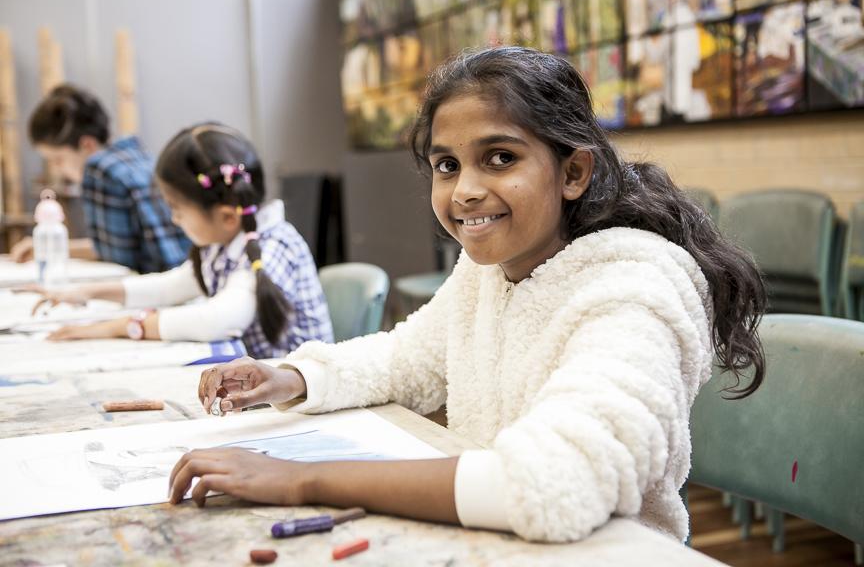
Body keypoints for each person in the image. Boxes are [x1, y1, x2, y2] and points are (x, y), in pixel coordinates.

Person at [168, 47, 765, 542]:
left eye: (499, 158)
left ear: (573, 172)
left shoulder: (634, 285)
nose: (465, 191)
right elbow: (410, 357)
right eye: (447, 165)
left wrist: (302, 479)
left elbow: (558, 481)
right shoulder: (491, 268)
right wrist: (294, 378)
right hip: (493, 537)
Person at [27, 123, 334, 359]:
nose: (174, 220)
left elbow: (216, 320)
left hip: (297, 404)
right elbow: (170, 286)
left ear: (227, 216)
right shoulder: (225, 240)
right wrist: (86, 292)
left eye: (177, 209)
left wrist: (118, 327)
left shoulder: (271, 248)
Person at [11, 84, 190, 272]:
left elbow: (118, 262)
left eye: (58, 159)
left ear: (87, 144)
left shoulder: (100, 170)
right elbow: (118, 246)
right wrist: (48, 248)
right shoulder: (136, 154)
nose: (58, 169)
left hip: (153, 286)